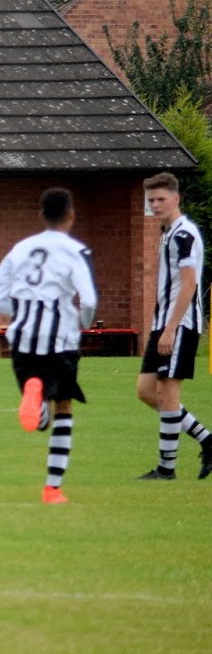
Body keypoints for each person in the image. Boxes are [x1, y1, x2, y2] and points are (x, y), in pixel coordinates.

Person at [0, 187, 97, 504]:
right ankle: (52, 488)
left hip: (22, 339)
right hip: (60, 339)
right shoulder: (75, 251)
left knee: (40, 409)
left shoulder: (20, 249)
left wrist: (24, 309)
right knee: (64, 407)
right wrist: (83, 323)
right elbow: (88, 300)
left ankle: (35, 393)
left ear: (41, 215)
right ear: (71, 214)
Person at [136, 172, 212, 481]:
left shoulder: (183, 234)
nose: (155, 205)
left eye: (161, 199)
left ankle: (166, 469)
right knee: (145, 391)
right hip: (163, 324)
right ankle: (208, 440)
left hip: (179, 324)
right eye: (151, 200)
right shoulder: (168, 233)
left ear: (176, 198)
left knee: (168, 395)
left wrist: (170, 329)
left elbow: (189, 284)